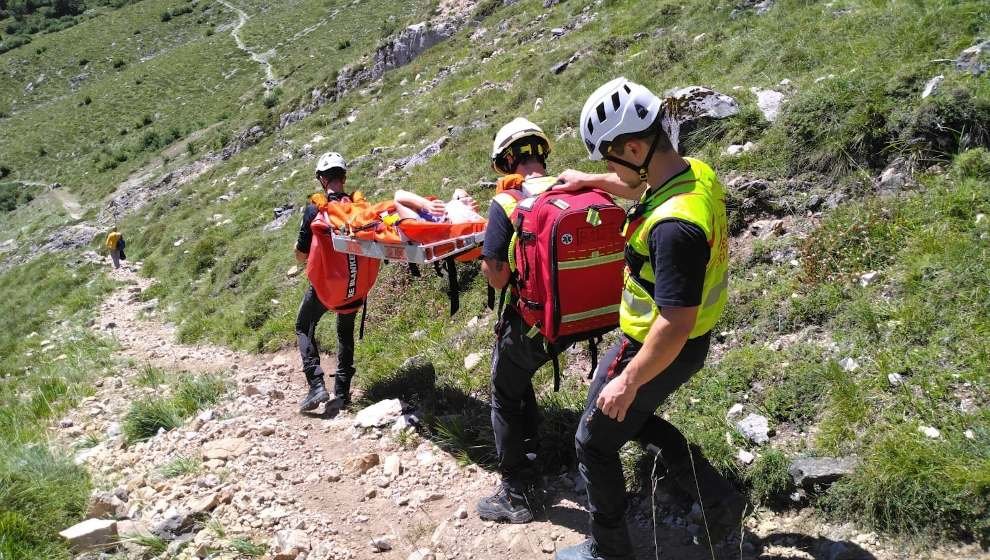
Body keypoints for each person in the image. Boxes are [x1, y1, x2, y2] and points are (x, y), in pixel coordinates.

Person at [553, 78, 743, 560]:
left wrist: (629, 380)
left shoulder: (673, 229)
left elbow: (675, 321)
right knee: (630, 421)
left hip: (656, 345)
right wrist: (591, 180)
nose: (610, 168)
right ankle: (716, 497)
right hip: (687, 345)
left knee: (593, 442)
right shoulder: (693, 173)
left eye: (610, 158)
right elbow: (636, 182)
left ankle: (608, 551)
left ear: (636, 146)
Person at [475, 117, 564, 524]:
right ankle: (535, 451)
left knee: (503, 391)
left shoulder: (507, 203)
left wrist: (487, 263)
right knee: (519, 376)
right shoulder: (569, 188)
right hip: (573, 319)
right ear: (542, 154)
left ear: (506, 162)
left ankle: (516, 492)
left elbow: (498, 274)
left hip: (533, 320)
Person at [294, 152, 363, 413]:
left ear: (322, 180)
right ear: (344, 177)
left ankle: (316, 385)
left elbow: (301, 254)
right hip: (356, 285)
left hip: (326, 288)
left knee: (303, 325)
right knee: (345, 333)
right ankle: (343, 392)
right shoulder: (358, 208)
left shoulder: (315, 209)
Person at [393, 188, 482, 223]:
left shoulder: (424, 210)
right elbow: (398, 195)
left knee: (460, 193)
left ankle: (467, 211)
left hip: (452, 212)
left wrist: (461, 202)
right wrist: (427, 204)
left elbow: (458, 191)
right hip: (454, 221)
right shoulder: (416, 220)